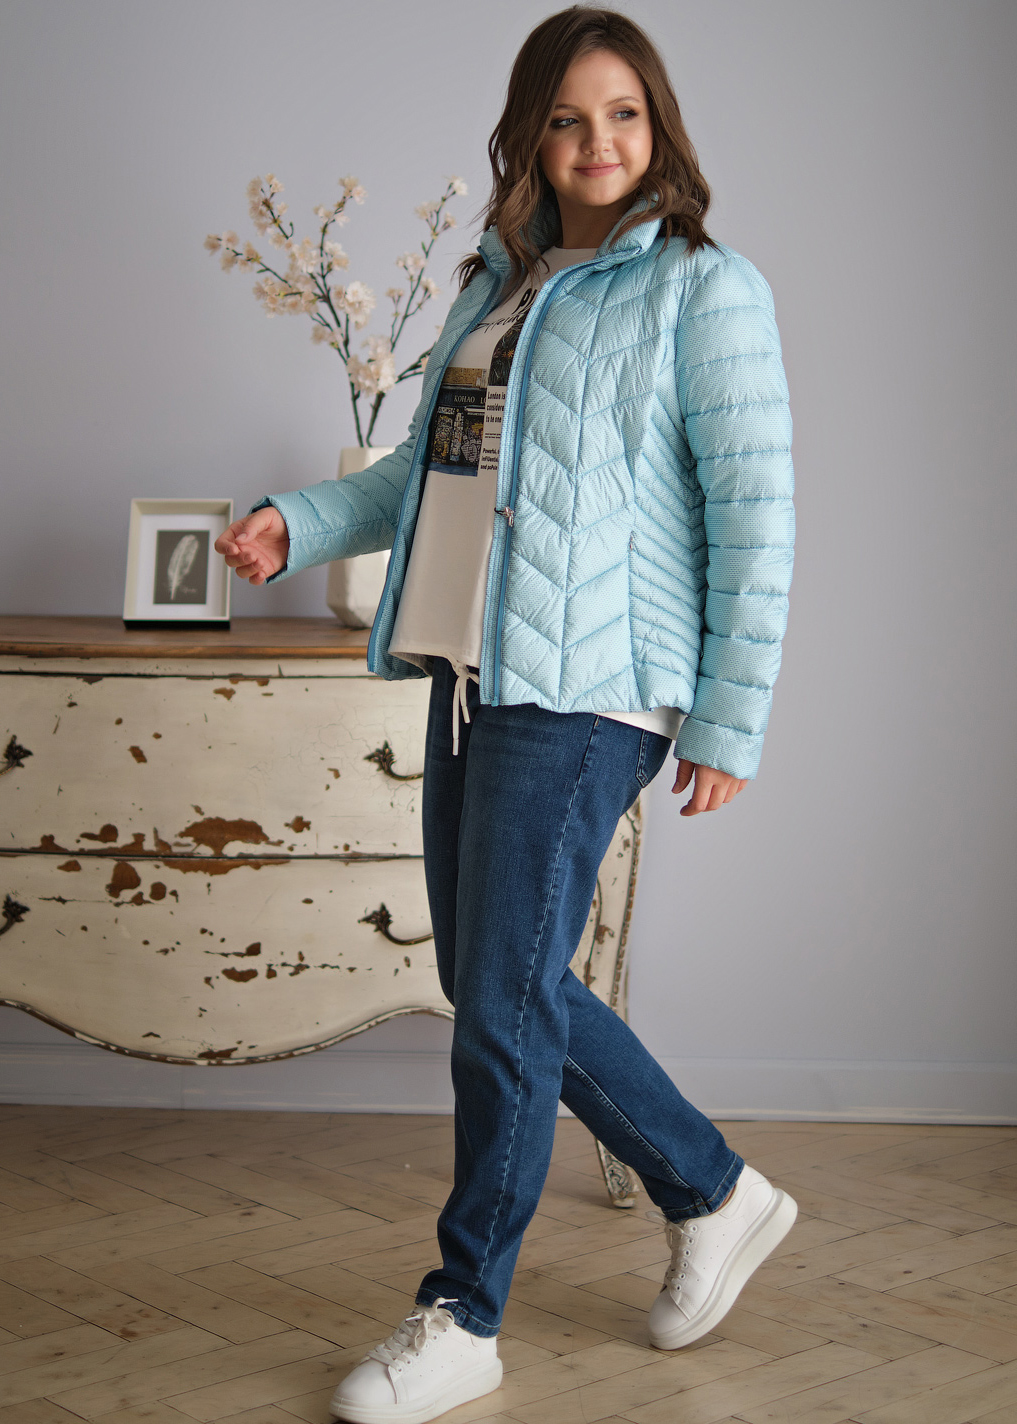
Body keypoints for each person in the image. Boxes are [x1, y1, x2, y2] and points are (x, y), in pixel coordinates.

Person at [215, 7, 797, 1421]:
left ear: (659, 129)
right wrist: (297, 523)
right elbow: (420, 478)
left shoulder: (704, 290)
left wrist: (728, 719)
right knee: (503, 984)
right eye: (567, 117)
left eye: (624, 114)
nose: (598, 141)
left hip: (594, 686)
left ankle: (463, 1314)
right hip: (470, 673)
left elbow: (756, 515)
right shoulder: (500, 287)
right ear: (528, 135)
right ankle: (713, 1191)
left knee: (498, 1006)